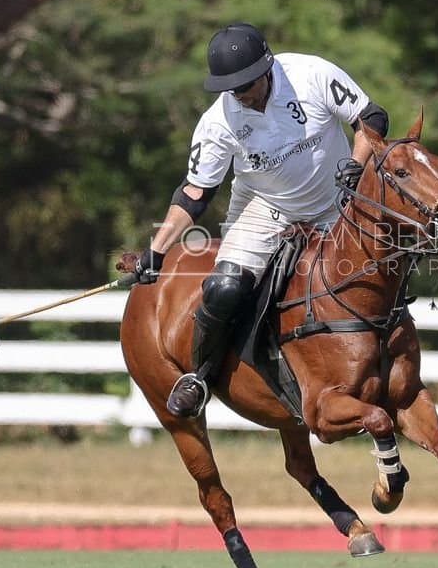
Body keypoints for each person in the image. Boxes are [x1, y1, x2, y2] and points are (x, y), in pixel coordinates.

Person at [132, 23, 391, 417]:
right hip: (267, 207)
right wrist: (157, 249)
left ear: (267, 68)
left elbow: (371, 117)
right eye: (232, 88)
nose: (241, 95)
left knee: (383, 268)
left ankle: (392, 360)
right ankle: (202, 375)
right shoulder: (218, 123)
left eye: (247, 84)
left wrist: (356, 167)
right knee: (224, 287)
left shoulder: (311, 75)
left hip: (338, 201)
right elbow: (194, 194)